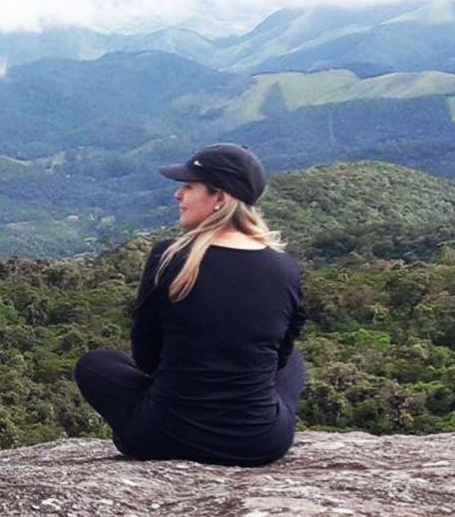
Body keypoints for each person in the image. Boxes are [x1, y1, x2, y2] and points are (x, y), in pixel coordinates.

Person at [74, 143, 305, 467]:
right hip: (258, 442)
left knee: (95, 364)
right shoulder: (285, 269)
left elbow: (146, 357)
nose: (177, 195)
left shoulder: (169, 258)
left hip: (162, 434)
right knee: (294, 360)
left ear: (219, 199)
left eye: (189, 186)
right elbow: (278, 360)